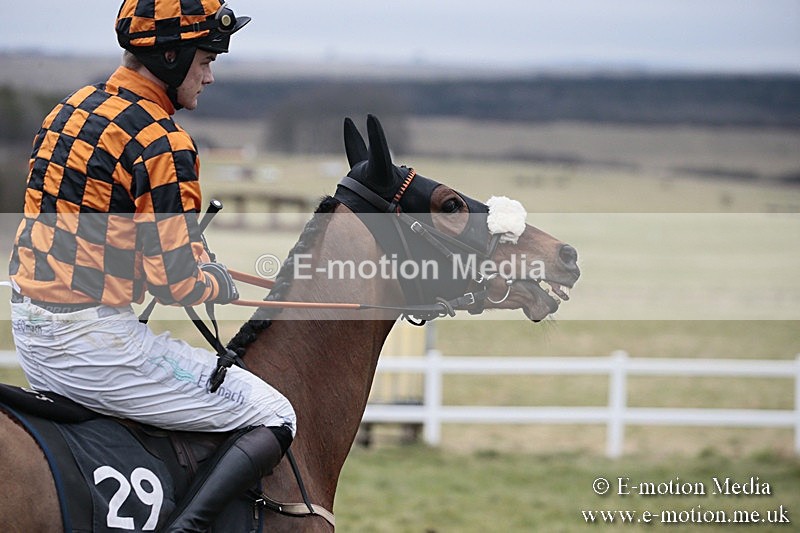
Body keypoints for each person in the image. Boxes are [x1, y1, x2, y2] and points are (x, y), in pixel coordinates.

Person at [7, 1, 296, 530]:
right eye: (205, 60)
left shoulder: (69, 110)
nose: (210, 75)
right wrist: (213, 278)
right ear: (170, 56)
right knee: (276, 413)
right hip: (91, 344)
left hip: (29, 333)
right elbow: (177, 281)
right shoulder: (162, 141)